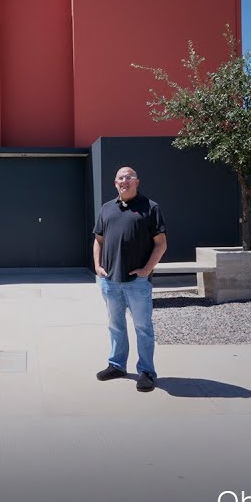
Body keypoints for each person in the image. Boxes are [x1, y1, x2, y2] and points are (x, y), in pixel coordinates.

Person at [92, 166, 167, 392]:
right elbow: (98, 240)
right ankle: (117, 365)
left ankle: (146, 371)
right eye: (120, 178)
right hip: (110, 281)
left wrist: (147, 269)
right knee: (115, 325)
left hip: (137, 283)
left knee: (143, 327)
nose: (124, 181)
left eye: (128, 177)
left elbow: (161, 244)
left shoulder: (150, 208)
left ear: (137, 182)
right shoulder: (106, 209)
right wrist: (97, 266)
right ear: (115, 183)